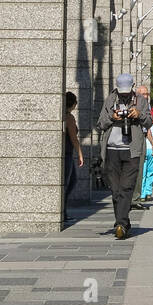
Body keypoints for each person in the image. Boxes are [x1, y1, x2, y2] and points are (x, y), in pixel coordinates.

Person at [97, 73, 150, 239]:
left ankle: (120, 224)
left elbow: (149, 122)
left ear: (133, 87)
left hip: (131, 150)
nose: (124, 95)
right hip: (112, 149)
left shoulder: (140, 100)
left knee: (126, 187)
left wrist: (138, 114)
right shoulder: (110, 99)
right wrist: (112, 117)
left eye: (127, 92)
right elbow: (100, 123)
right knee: (115, 190)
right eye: (122, 92)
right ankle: (123, 222)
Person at [64, 91, 84, 222]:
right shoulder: (69, 117)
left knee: (70, 181)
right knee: (68, 183)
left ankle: (63, 210)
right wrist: (80, 154)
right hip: (68, 153)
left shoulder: (63, 115)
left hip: (66, 153)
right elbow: (74, 138)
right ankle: (63, 211)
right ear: (73, 104)